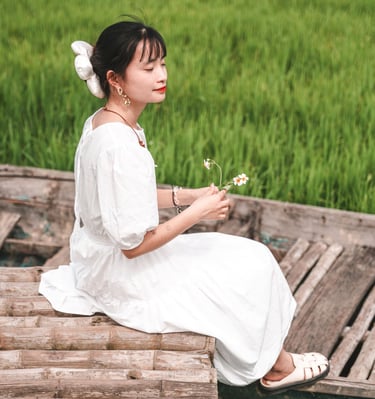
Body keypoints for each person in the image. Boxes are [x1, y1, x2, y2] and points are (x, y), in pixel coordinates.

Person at [39, 19, 329, 394]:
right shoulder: (118, 145)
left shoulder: (106, 123)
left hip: (97, 258)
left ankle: (275, 360)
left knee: (249, 257)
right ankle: (279, 366)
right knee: (244, 272)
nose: (162, 74)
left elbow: (121, 199)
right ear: (115, 78)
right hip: (119, 275)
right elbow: (133, 246)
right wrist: (197, 214)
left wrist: (186, 196)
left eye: (162, 63)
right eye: (148, 67)